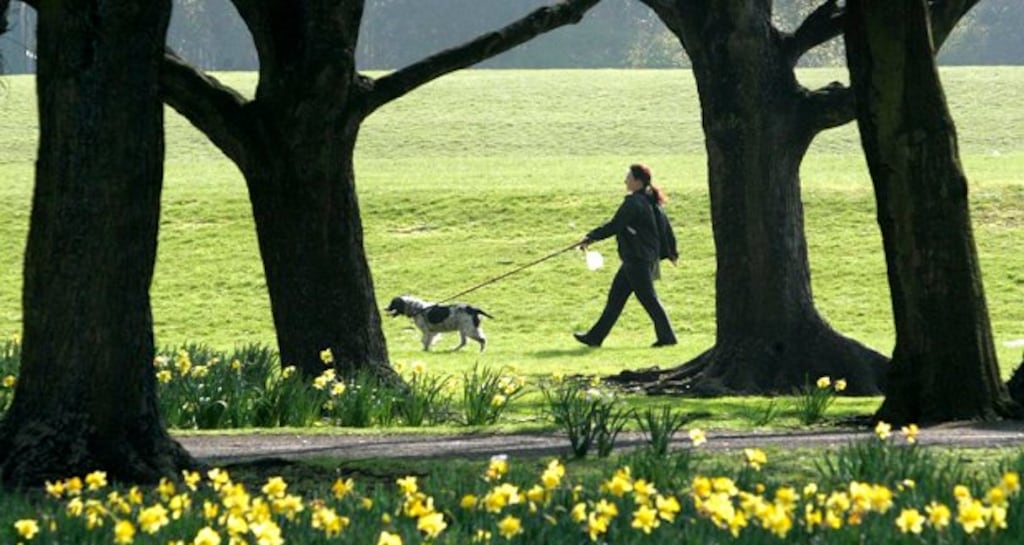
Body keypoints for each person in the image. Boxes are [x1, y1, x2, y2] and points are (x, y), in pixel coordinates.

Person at [574, 163, 678, 348]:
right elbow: (666, 229)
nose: (625, 181)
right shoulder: (650, 201)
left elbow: (615, 225)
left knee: (649, 299)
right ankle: (595, 337)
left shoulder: (634, 203)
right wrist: (671, 252)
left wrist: (591, 237)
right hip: (641, 258)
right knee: (616, 299)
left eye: (628, 178)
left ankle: (668, 337)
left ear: (637, 181)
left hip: (637, 259)